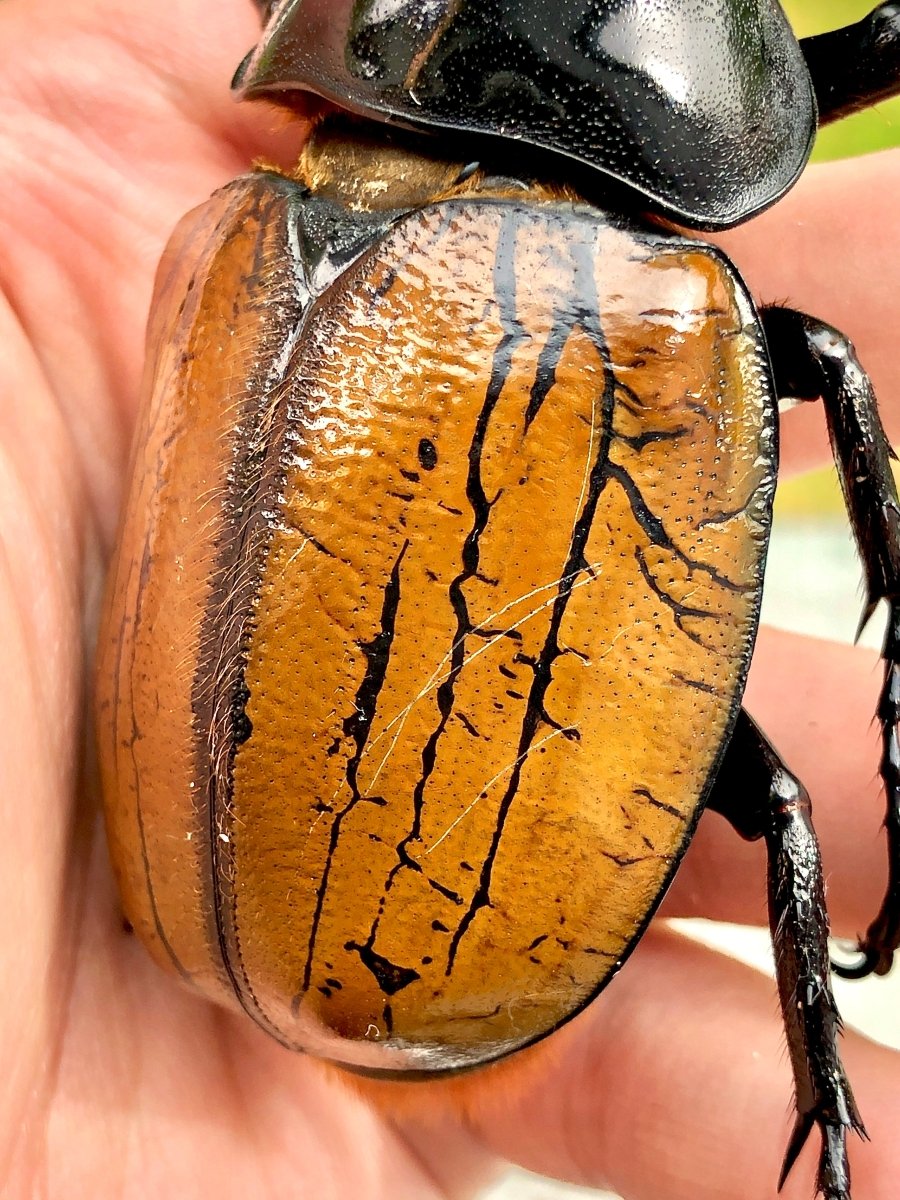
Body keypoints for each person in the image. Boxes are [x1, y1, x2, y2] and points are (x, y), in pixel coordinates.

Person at [1, 1, 898, 1196]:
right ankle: (826, 1136)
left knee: (782, 809)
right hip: (348, 938)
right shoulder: (630, 307)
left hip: (168, 889)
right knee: (781, 810)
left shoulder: (240, 222)